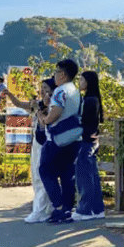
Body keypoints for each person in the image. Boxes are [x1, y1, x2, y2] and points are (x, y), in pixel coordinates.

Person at [2, 77, 57, 223]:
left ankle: (40, 210)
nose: (43, 92)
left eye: (47, 90)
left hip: (48, 144)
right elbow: (20, 104)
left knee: (41, 176)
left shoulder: (56, 106)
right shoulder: (38, 104)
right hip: (37, 143)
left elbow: (46, 122)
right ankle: (46, 208)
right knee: (36, 175)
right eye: (42, 89)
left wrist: (41, 109)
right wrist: (9, 94)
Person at [38, 59, 82, 224]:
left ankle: (58, 206)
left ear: (62, 74)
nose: (55, 75)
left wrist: (45, 119)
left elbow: (56, 112)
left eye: (56, 72)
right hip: (73, 137)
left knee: (45, 170)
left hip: (57, 138)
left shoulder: (59, 91)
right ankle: (67, 210)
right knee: (66, 174)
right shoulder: (75, 90)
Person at [72, 70, 106, 221]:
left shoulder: (90, 100)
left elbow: (85, 122)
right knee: (92, 176)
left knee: (84, 177)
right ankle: (96, 209)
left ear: (88, 82)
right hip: (91, 141)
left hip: (85, 141)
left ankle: (86, 210)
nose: (79, 82)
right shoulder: (92, 98)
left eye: (82, 79)